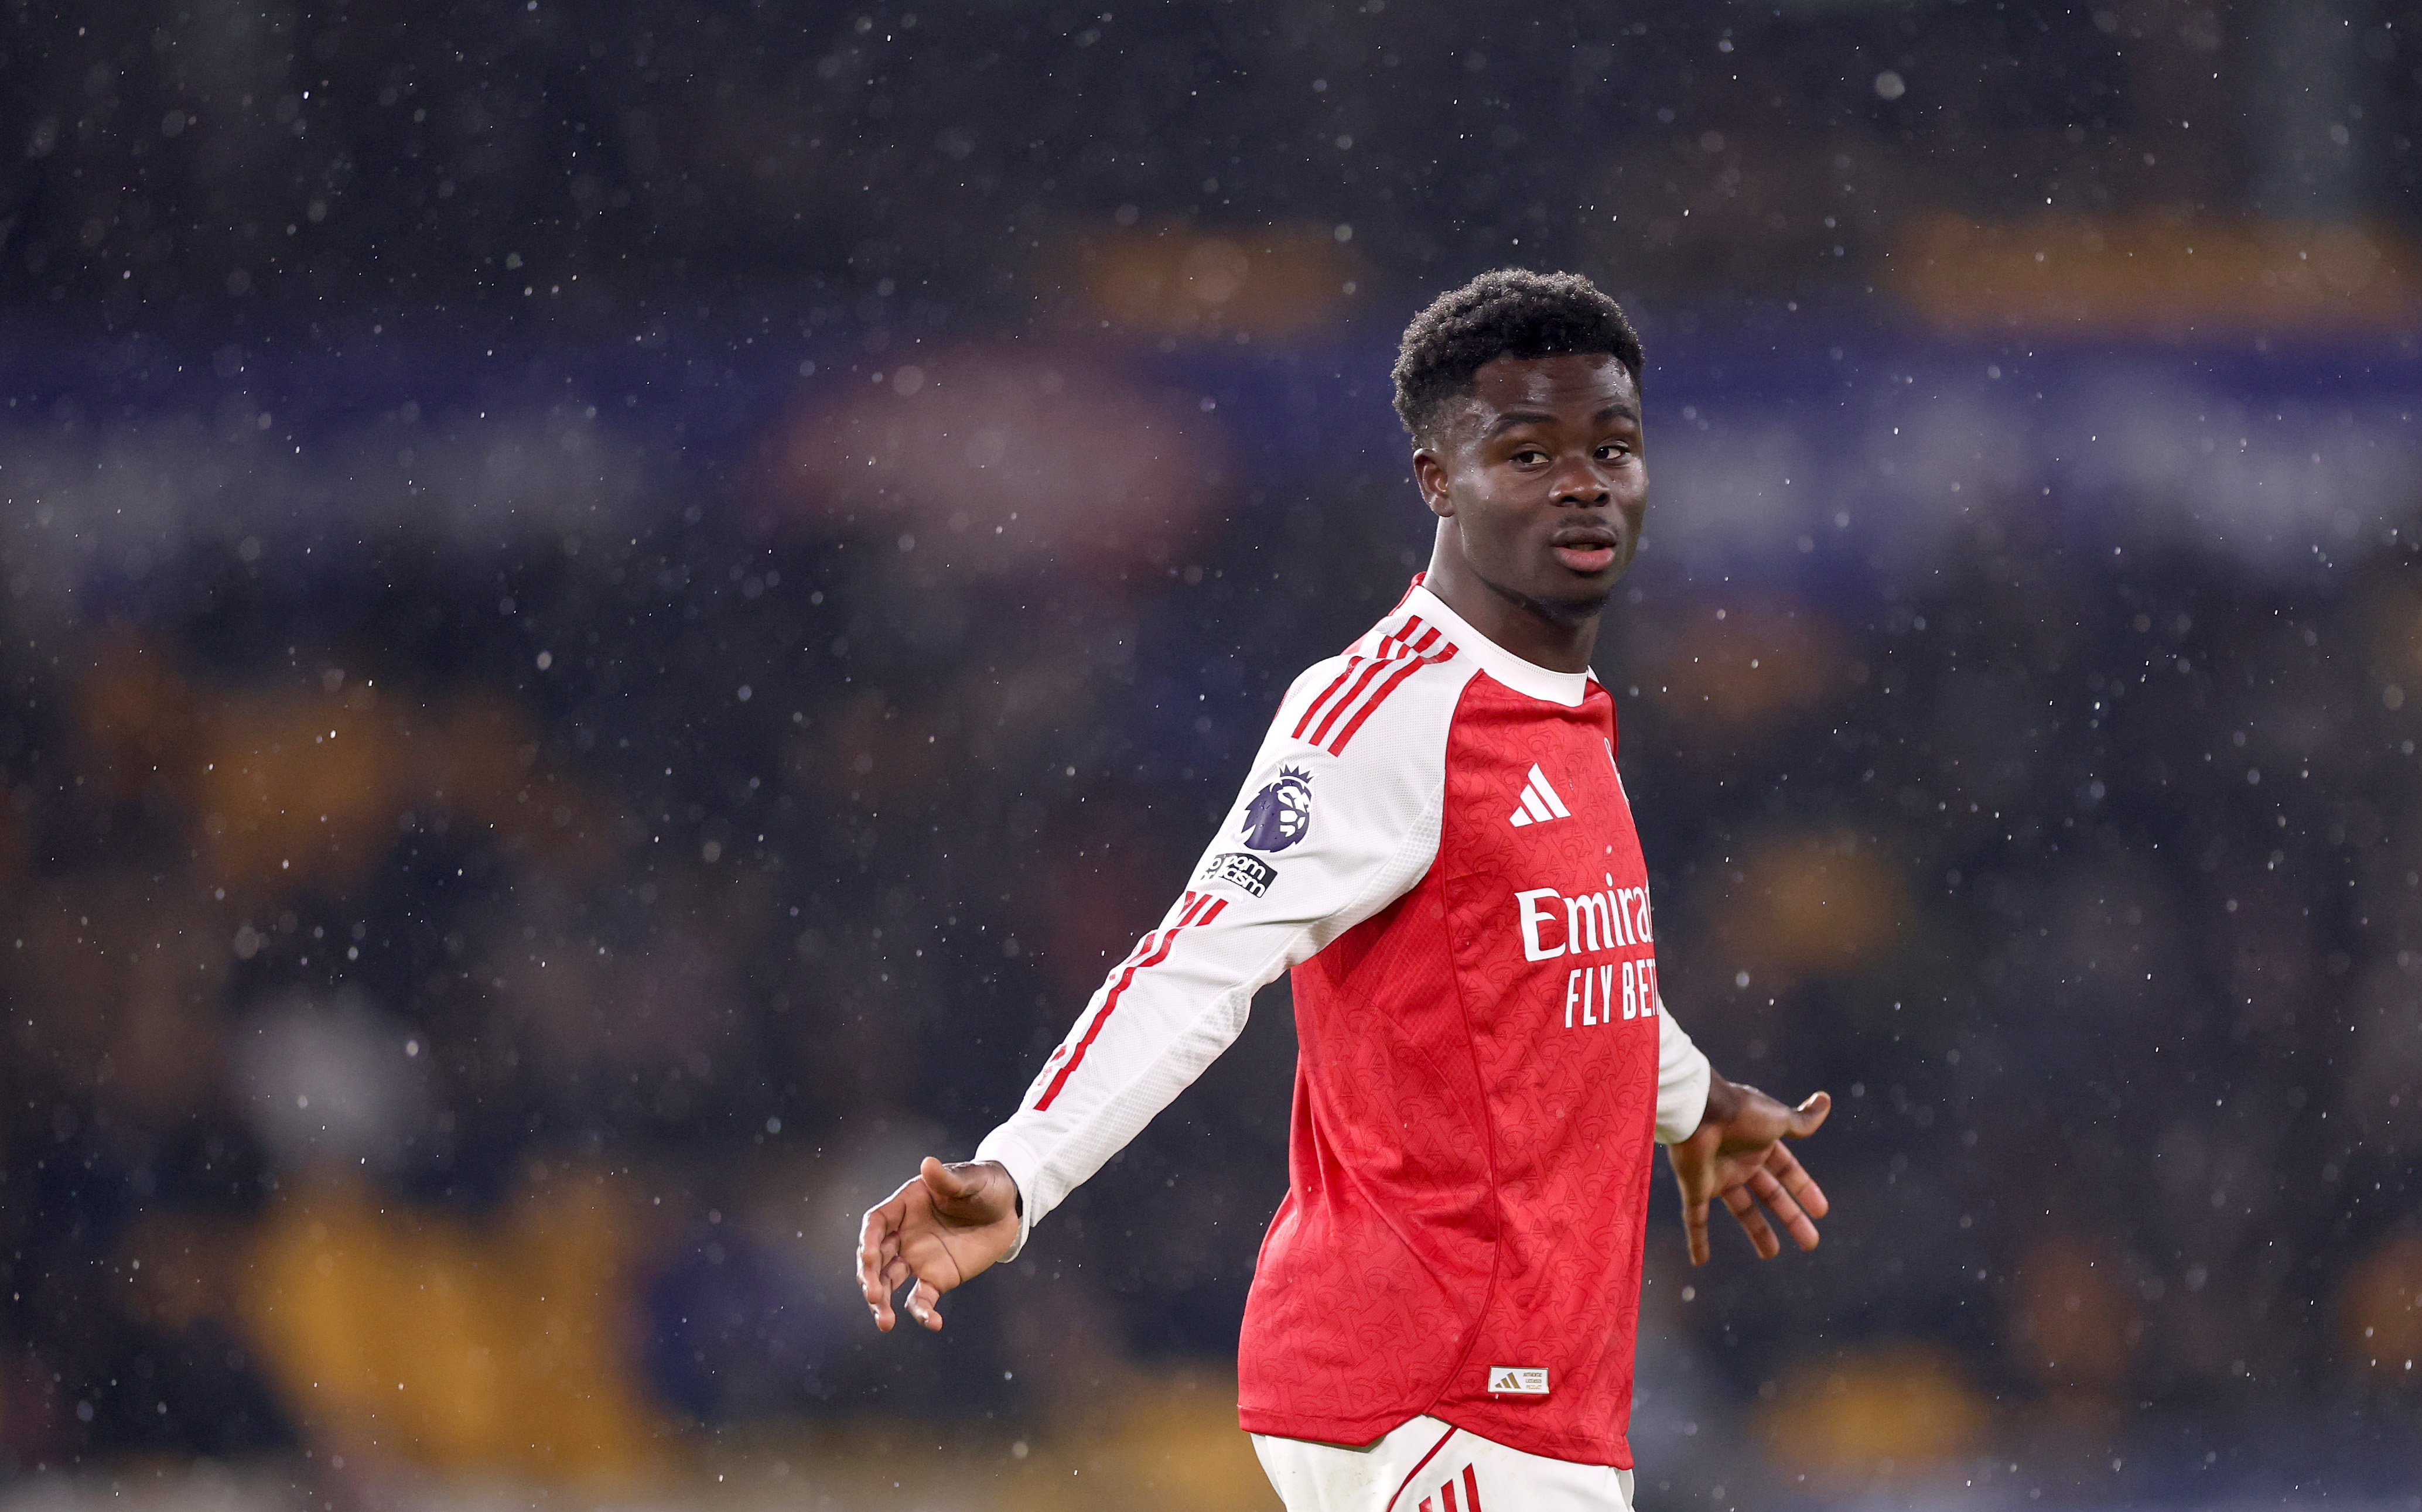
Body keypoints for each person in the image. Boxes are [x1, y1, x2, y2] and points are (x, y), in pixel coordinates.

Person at [856, 269, 1833, 1511]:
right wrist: (1021, 1171)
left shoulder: (1566, 716)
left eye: (1612, 446)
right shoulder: (1383, 710)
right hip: (1427, 1387)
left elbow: (1567, 979)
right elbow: (1196, 958)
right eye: (1526, 451)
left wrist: (1698, 1103)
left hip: (1528, 1400)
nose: (1583, 480)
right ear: (1437, 479)